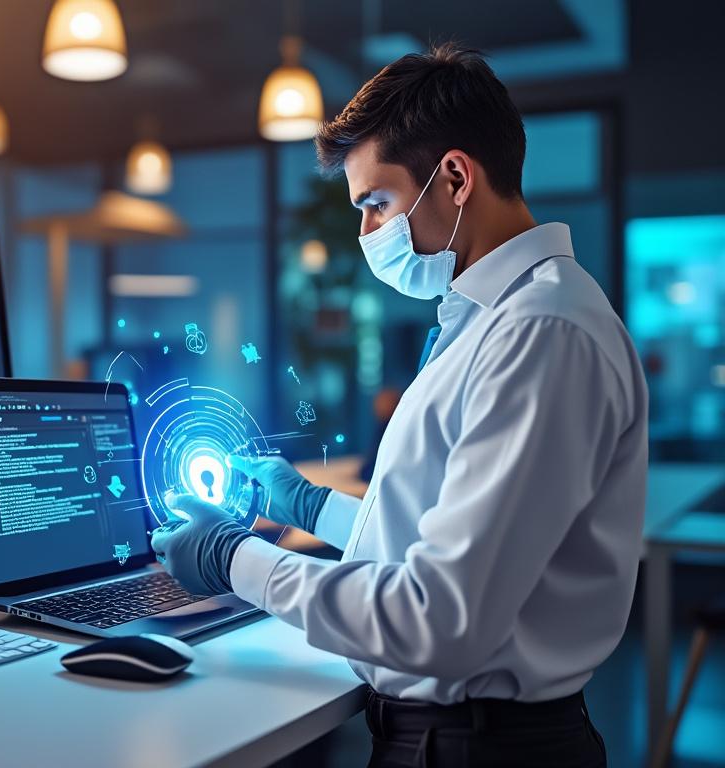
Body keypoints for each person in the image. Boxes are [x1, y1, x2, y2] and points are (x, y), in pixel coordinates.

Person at [150, 43, 647, 767]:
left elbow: (441, 617)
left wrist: (234, 560)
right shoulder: (490, 320)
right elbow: (442, 537)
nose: (366, 235)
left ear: (454, 177)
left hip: (483, 749)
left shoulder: (541, 332)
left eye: (376, 204)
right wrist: (312, 507)